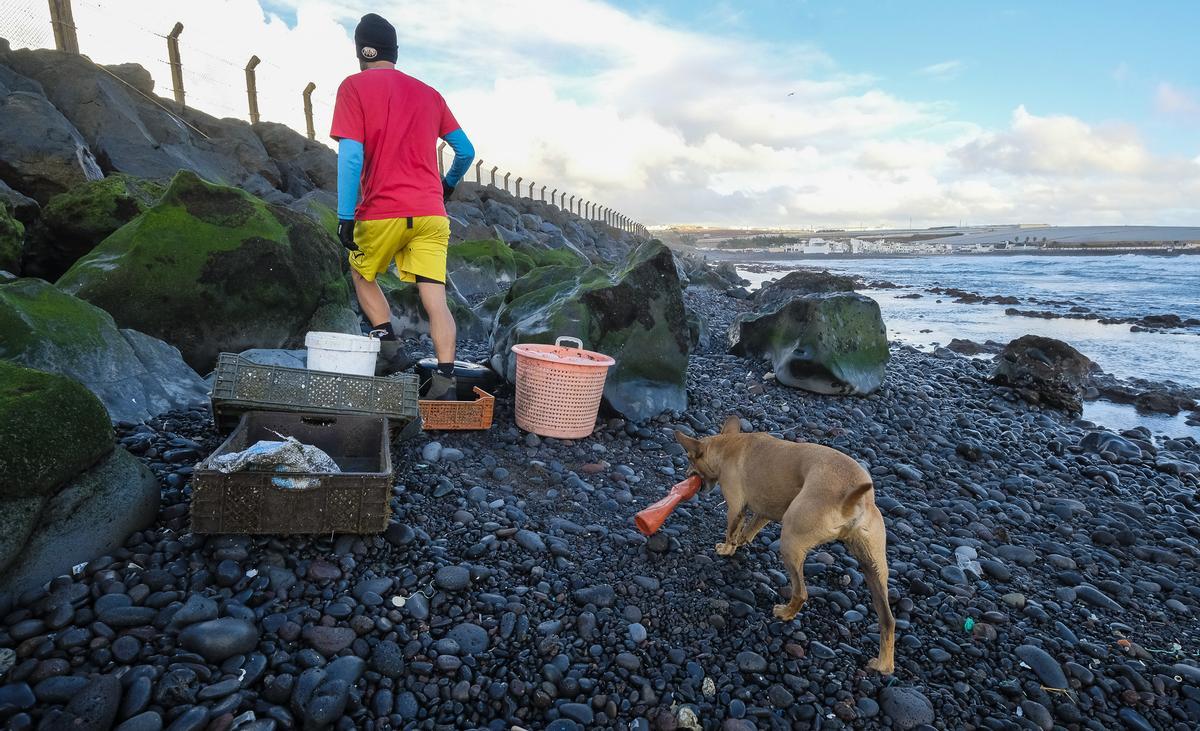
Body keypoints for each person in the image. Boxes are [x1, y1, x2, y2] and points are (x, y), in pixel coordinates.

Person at [330, 13, 475, 400]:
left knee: (363, 275)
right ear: (395, 51)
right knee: (435, 299)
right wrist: (445, 186)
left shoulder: (354, 87)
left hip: (382, 211)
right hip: (430, 213)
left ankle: (390, 349)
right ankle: (445, 382)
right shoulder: (429, 93)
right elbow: (466, 151)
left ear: (362, 51)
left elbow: (350, 157)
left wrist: (345, 216)